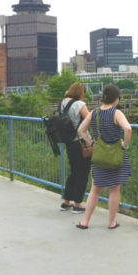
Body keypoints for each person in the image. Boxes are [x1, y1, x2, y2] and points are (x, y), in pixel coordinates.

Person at [74, 84, 131, 229]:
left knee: (95, 189)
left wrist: (92, 143)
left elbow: (81, 129)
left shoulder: (94, 113)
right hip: (115, 155)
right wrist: (124, 144)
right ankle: (111, 222)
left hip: (100, 154)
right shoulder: (116, 113)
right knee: (114, 189)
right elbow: (128, 128)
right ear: (116, 99)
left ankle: (85, 221)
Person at [59, 82, 91, 213]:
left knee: (74, 171)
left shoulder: (63, 102)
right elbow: (90, 119)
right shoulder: (79, 104)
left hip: (69, 141)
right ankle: (78, 203)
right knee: (83, 172)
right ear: (80, 92)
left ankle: (66, 201)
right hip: (81, 142)